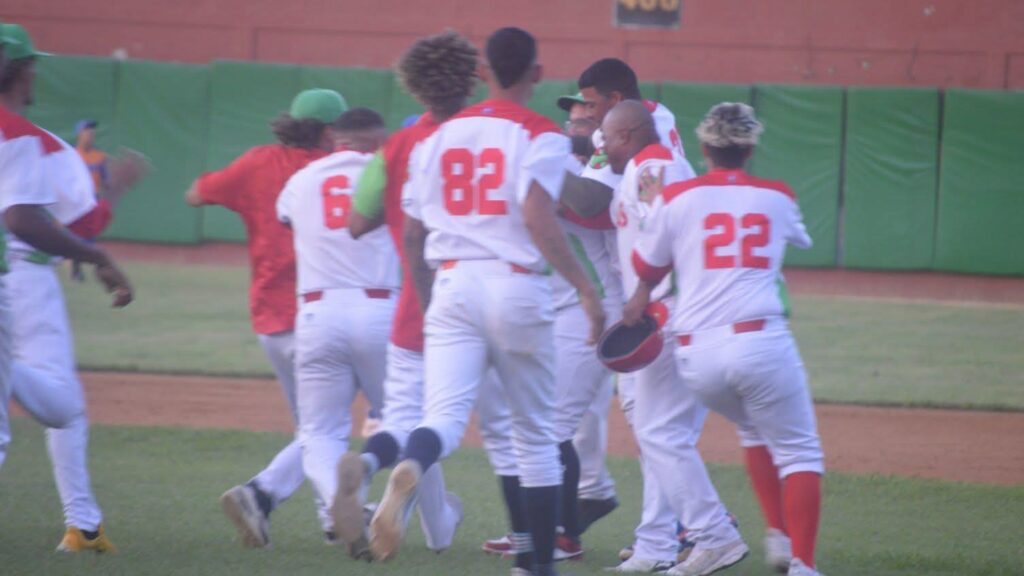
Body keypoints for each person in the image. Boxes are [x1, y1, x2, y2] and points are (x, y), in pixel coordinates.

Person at [372, 27, 604, 576]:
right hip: (515, 283)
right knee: (535, 437)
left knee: (443, 418)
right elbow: (537, 215)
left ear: (483, 72)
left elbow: (412, 235)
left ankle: (414, 462)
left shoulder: (433, 138)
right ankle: (535, 567)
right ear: (537, 73)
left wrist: (432, 303)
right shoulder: (540, 133)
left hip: (451, 281)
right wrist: (584, 286)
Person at [625, 102, 825, 576]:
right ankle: (802, 564)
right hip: (761, 341)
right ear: (750, 148)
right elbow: (800, 239)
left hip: (697, 355)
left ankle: (777, 536)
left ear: (704, 147)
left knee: (753, 428)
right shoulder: (777, 195)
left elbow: (645, 266)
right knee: (799, 452)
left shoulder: (677, 196)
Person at [333, 30, 479, 560]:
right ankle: (539, 538)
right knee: (490, 428)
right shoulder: (489, 132)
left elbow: (357, 222)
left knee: (400, 418)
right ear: (470, 79)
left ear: (414, 88)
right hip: (476, 300)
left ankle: (369, 464)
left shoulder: (396, 147)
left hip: (413, 306)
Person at [186, 88, 347, 547]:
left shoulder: (258, 162)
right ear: (329, 131)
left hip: (269, 319)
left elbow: (196, 193)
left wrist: (246, 193)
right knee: (327, 427)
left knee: (313, 428)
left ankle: (332, 517)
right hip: (317, 315)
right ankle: (261, 493)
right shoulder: (336, 170)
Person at [0, 22, 133, 553]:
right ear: (25, 70)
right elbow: (78, 224)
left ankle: (86, 525)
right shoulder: (33, 142)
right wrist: (114, 195)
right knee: (63, 409)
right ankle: (82, 524)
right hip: (23, 278)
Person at [480, 89, 621, 562]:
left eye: (584, 119)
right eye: (571, 119)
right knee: (549, 424)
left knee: (552, 426)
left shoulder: (596, 175)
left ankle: (559, 534)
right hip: (564, 309)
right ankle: (546, 525)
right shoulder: (567, 167)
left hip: (593, 307)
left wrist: (538, 165)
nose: (573, 126)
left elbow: (583, 203)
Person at [275, 106, 394, 551]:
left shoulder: (302, 178)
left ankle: (337, 502)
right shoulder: (389, 173)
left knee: (319, 431)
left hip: (317, 311)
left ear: (335, 139)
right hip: (380, 307)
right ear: (377, 142)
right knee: (409, 419)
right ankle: (428, 518)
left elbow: (285, 218)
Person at [75, 119, 107, 193]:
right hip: (78, 198)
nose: (91, 131)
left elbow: (106, 183)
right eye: (86, 129)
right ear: (79, 133)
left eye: (92, 129)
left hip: (95, 198)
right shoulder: (71, 155)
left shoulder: (100, 156)